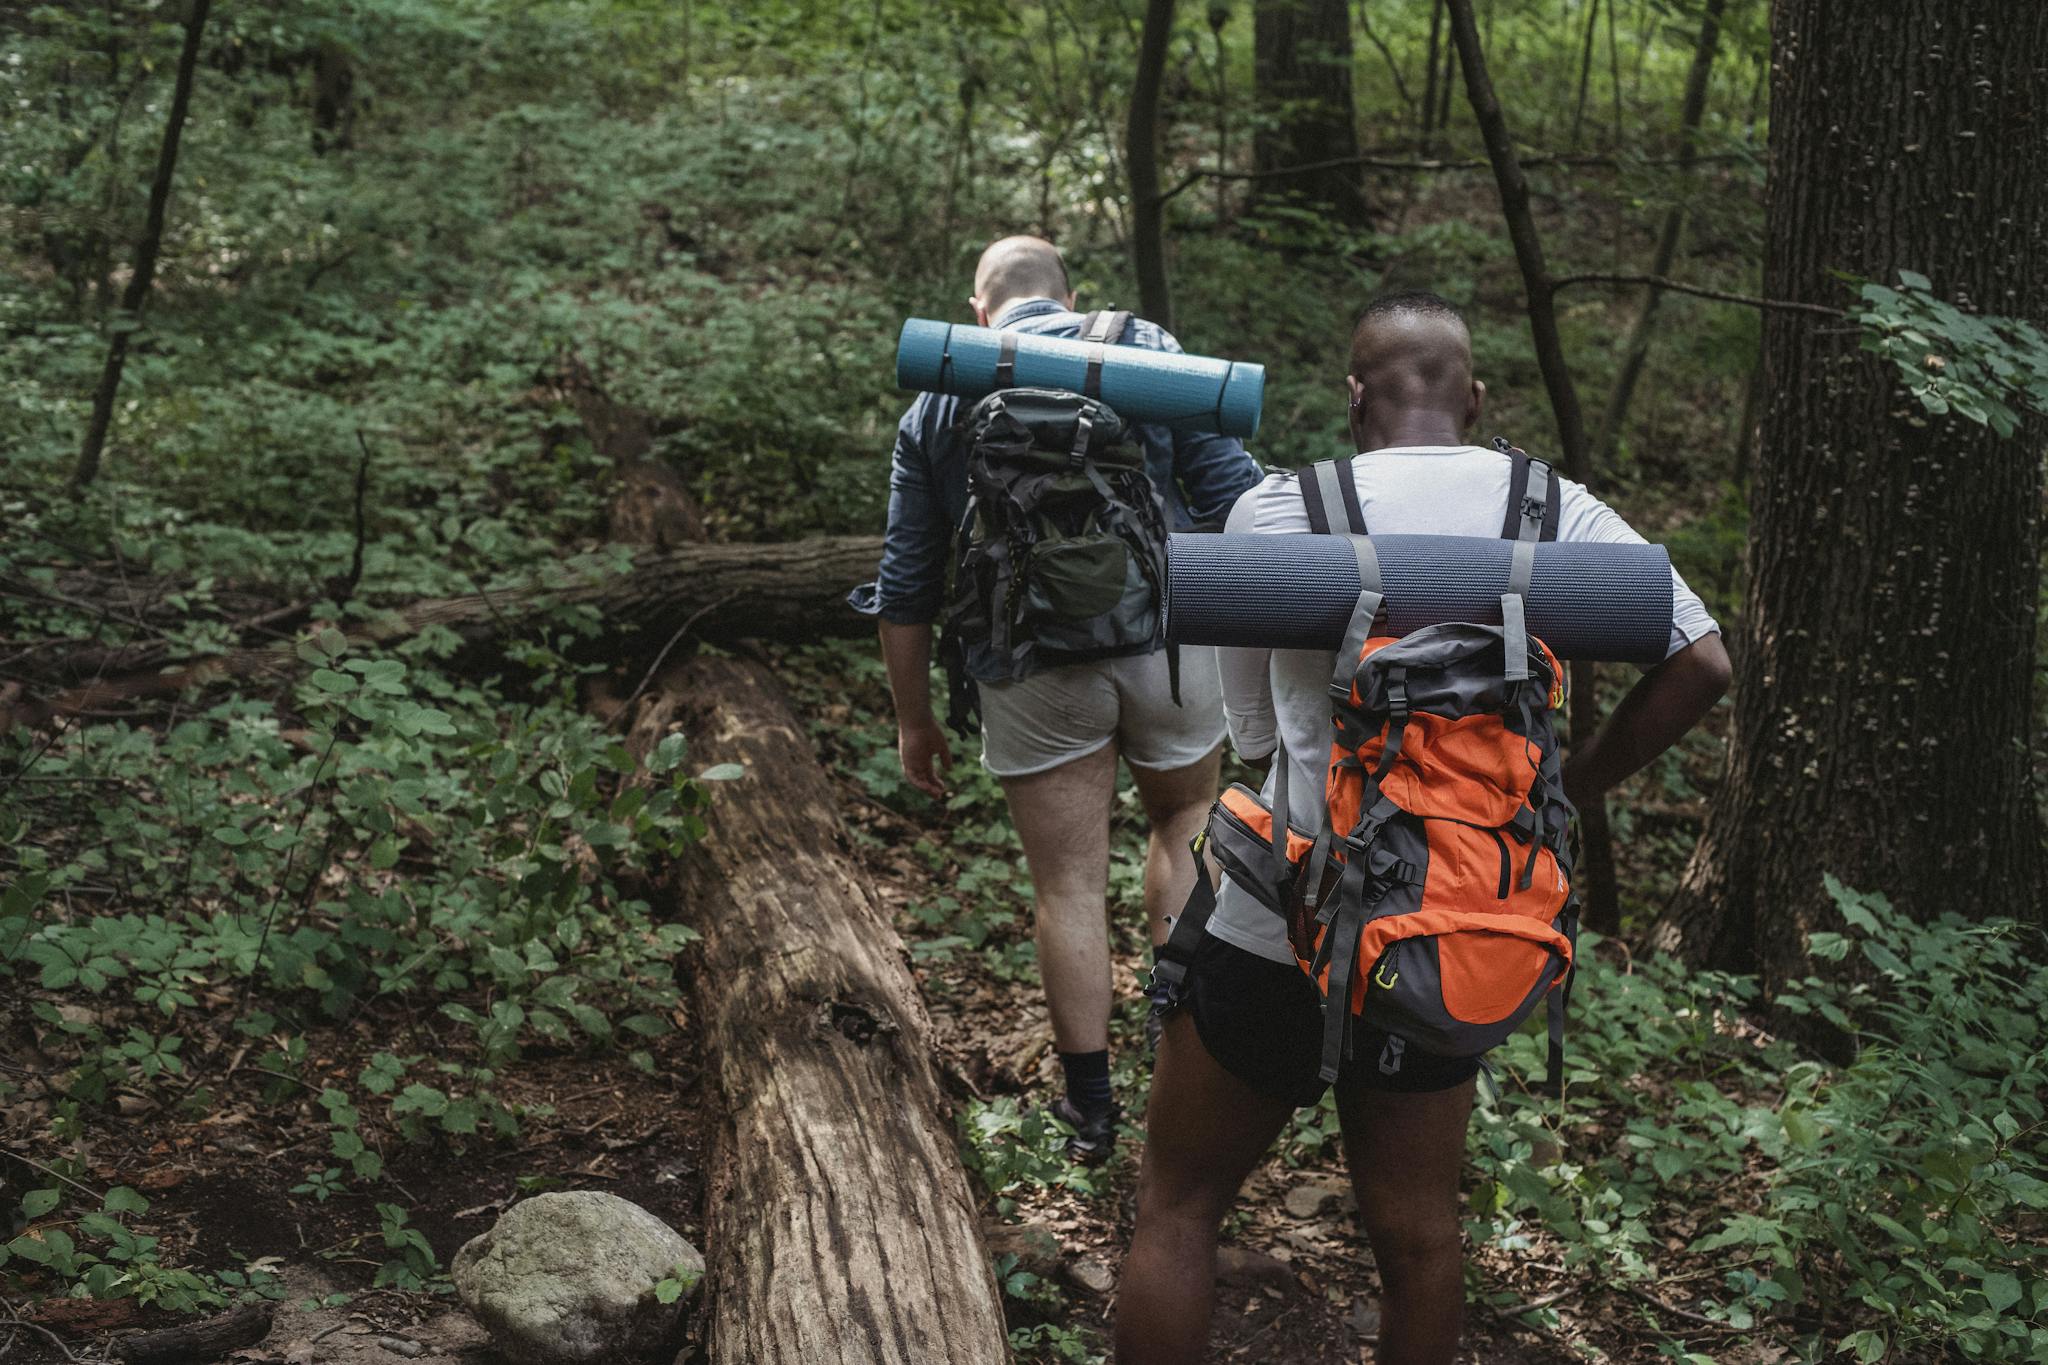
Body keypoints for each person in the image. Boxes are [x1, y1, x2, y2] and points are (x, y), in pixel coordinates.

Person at [1115, 291, 1732, 1363]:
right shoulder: (1551, 506)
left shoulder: (1279, 509)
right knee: (1417, 1239)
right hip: (1444, 927)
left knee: (1177, 1208)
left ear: (1354, 397)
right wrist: (1567, 790)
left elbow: (1256, 736)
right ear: (1475, 397)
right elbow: (1703, 660)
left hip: (1278, 925)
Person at [850, 236, 1264, 1162]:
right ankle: (1180, 1069)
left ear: (978, 306)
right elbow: (1236, 496)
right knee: (1185, 819)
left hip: (1028, 658)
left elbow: (907, 580)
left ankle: (1089, 1114)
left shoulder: (940, 395)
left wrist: (915, 718)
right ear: (1074, 295)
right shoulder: (1144, 352)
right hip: (1169, 640)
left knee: (1067, 882)